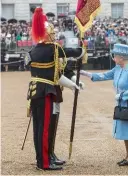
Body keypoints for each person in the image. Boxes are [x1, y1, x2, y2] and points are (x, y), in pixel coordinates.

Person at [27, 7, 85, 170]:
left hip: (36, 91)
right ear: (48, 34)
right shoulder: (53, 49)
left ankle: (46, 157)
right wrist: (73, 84)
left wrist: (72, 80)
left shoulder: (32, 51)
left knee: (40, 128)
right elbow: (56, 74)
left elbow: (59, 68)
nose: (54, 35)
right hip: (47, 90)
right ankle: (44, 162)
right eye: (52, 32)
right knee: (44, 128)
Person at [80, 43, 128, 166]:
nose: (113, 57)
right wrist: (87, 74)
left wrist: (121, 95)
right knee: (125, 130)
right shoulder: (117, 68)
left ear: (121, 57)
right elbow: (104, 75)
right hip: (122, 103)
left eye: (115, 55)